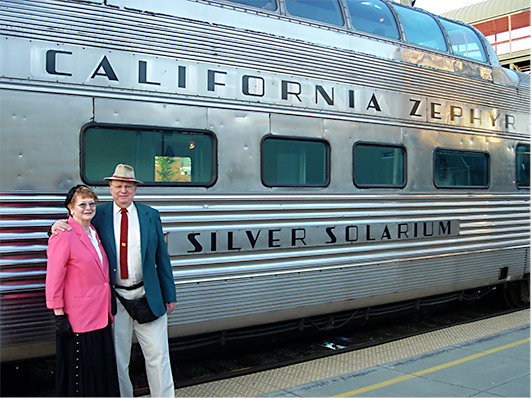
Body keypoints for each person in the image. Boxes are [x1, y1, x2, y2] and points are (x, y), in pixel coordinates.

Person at [52, 164, 177, 398]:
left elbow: (162, 258)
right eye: (118, 186)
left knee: (158, 357)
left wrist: (170, 294)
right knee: (118, 360)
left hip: (148, 295)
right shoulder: (99, 214)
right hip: (115, 300)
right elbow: (77, 229)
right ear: (110, 188)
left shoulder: (151, 215)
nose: (123, 191)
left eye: (128, 186)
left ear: (135, 189)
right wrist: (57, 226)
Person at [46, 185, 120, 397]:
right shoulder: (64, 234)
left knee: (99, 368)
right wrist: (58, 313)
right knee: (82, 374)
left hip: (100, 314)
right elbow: (54, 277)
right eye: (82, 204)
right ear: (71, 208)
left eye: (91, 203)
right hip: (78, 317)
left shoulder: (93, 232)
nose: (88, 208)